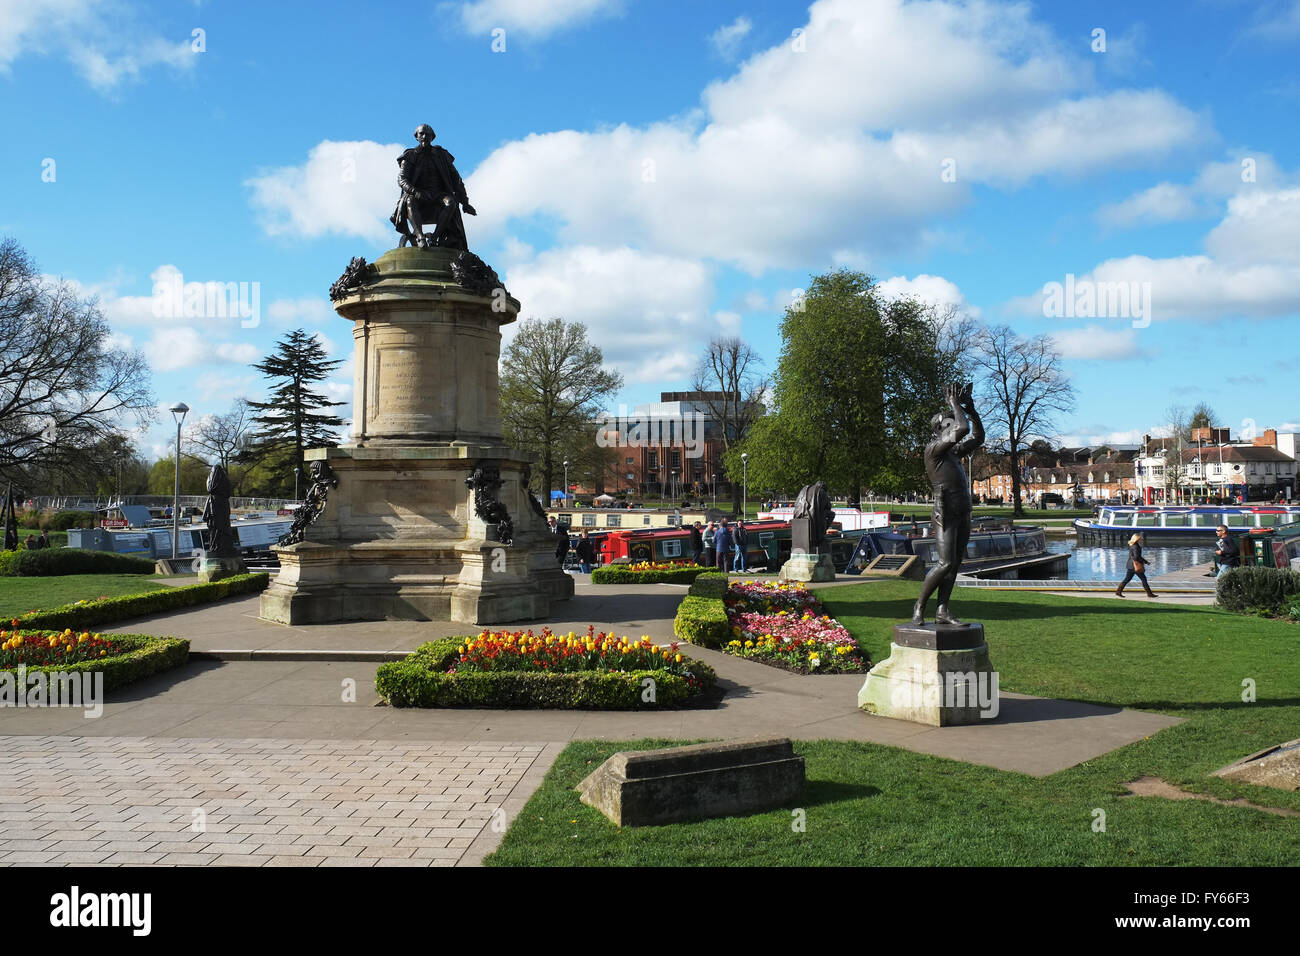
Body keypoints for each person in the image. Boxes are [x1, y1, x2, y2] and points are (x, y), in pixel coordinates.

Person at [912, 382, 984, 626]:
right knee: (945, 563)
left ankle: (942, 610)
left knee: (955, 564)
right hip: (945, 511)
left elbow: (977, 436)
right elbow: (964, 428)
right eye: (949, 423)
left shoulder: (954, 453)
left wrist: (971, 409)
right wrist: (954, 404)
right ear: (940, 429)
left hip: (962, 509)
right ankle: (920, 606)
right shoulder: (934, 450)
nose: (955, 423)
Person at [390, 124, 477, 249]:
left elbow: (456, 180)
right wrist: (416, 192)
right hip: (418, 195)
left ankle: (435, 237)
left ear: (432, 137)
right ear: (416, 137)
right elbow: (402, 180)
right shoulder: (409, 156)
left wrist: (465, 202)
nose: (425, 136)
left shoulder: (442, 156)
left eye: (428, 134)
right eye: (421, 134)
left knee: (450, 202)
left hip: (438, 195)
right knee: (409, 200)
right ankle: (420, 238)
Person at [1116, 532, 1157, 598]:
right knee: (1143, 579)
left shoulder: (1132, 545)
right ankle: (1149, 594)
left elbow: (1135, 556)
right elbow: (1136, 557)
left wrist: (1145, 562)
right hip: (1135, 566)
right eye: (1140, 538)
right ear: (1137, 539)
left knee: (1127, 579)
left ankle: (1118, 591)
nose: (1141, 540)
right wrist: (1144, 562)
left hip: (1130, 566)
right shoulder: (1136, 546)